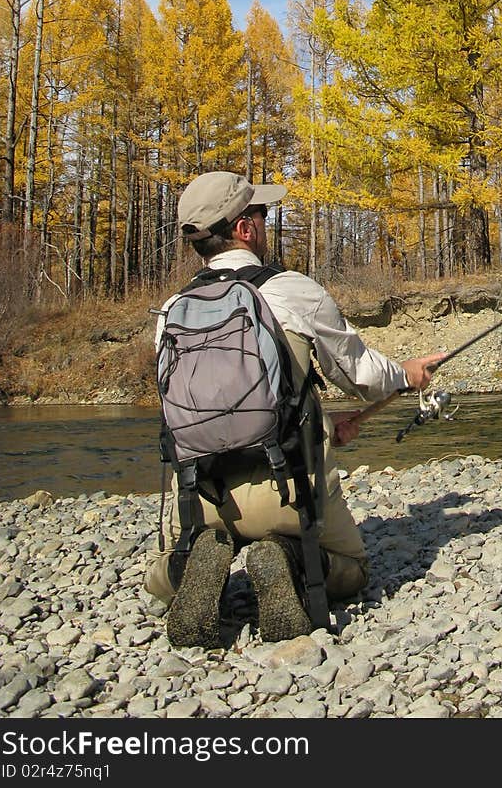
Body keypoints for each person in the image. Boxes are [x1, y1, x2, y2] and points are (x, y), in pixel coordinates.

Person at [143, 170, 445, 649]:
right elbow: (361, 375)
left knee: (159, 576)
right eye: (260, 214)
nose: (266, 222)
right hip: (289, 490)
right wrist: (408, 375)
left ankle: (189, 564)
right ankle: (290, 557)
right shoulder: (291, 290)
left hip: (202, 497)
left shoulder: (171, 310)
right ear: (245, 228)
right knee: (354, 572)